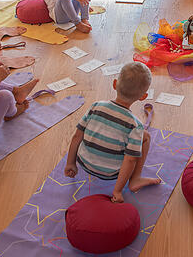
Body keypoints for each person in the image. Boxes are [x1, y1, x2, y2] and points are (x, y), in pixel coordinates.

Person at [64, 62, 160, 202]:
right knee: (146, 137)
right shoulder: (135, 125)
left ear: (115, 84)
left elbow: (76, 136)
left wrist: (70, 163)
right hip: (110, 174)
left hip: (83, 163)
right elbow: (130, 159)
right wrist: (117, 191)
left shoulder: (96, 106)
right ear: (143, 97)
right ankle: (135, 179)